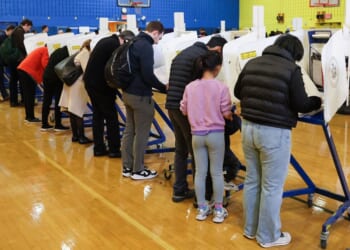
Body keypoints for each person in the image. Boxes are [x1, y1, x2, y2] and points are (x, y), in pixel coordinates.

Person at [234, 34, 322, 247]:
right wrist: (317, 101)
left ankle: (250, 230)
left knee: (253, 180)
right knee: (272, 186)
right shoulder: (291, 70)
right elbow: (301, 103)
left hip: (248, 129)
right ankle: (268, 236)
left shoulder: (252, 62)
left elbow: (238, 92)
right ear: (295, 54)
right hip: (274, 133)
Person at [165, 36, 227, 202]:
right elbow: (201, 88)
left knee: (181, 149)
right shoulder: (201, 59)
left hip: (171, 104)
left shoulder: (184, 53)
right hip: (184, 108)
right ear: (218, 50)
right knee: (198, 153)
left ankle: (179, 190)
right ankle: (205, 196)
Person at [180, 51, 232, 223]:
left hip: (197, 135)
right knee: (216, 173)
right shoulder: (221, 87)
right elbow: (226, 113)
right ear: (217, 68)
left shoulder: (190, 87)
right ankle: (218, 210)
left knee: (200, 173)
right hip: (216, 135)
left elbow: (184, 110)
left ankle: (202, 209)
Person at [121, 21, 167, 180]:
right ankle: (138, 170)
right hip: (140, 95)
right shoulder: (146, 46)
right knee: (142, 133)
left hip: (127, 93)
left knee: (129, 130)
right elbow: (148, 75)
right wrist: (163, 87)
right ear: (155, 32)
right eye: (159, 37)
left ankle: (127, 167)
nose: (159, 41)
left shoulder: (134, 42)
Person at [84, 30, 135, 157]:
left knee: (98, 116)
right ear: (125, 40)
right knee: (111, 116)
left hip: (91, 82)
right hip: (101, 85)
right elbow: (115, 68)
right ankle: (114, 149)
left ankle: (99, 148)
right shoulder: (114, 46)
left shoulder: (107, 41)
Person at [59, 39, 93, 143]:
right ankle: (81, 137)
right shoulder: (85, 54)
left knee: (73, 111)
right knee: (77, 111)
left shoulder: (80, 52)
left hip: (71, 83)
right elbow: (87, 71)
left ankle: (75, 136)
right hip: (77, 85)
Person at [41, 45, 70, 131]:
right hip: (56, 78)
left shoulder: (57, 51)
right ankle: (58, 124)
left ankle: (44, 124)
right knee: (58, 101)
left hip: (47, 76)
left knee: (47, 100)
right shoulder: (67, 53)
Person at [17, 46, 49, 122]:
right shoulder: (45, 50)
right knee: (29, 95)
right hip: (27, 71)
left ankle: (29, 116)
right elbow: (45, 64)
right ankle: (30, 117)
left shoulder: (41, 49)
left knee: (28, 95)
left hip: (23, 70)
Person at [8, 18, 33, 107]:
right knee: (18, 81)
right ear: (26, 25)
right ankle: (16, 101)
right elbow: (22, 45)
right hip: (17, 60)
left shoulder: (16, 30)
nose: (28, 30)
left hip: (14, 59)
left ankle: (16, 100)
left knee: (14, 81)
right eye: (29, 27)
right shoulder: (19, 31)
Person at [0, 25, 15, 101]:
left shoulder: (5, 37)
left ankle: (5, 94)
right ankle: (4, 95)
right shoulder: (2, 37)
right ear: (10, 30)